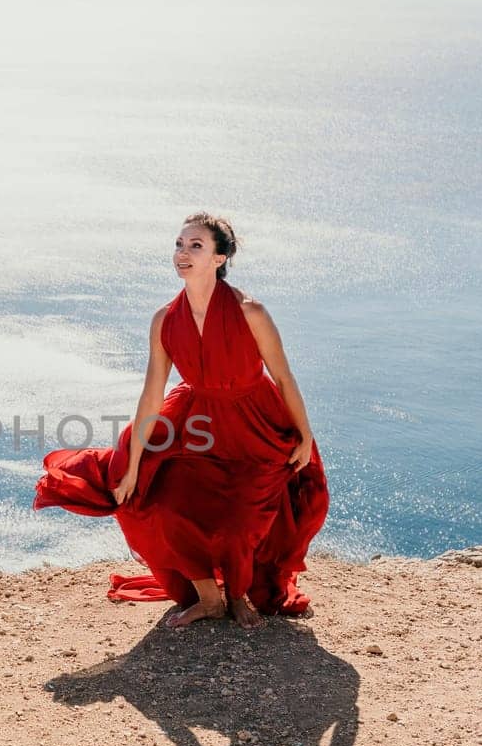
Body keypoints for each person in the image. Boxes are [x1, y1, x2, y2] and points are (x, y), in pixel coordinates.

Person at [33, 212, 329, 630]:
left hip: (255, 425)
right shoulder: (164, 320)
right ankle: (209, 598)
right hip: (196, 425)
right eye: (179, 244)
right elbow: (152, 392)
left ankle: (239, 595)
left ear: (220, 259)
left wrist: (305, 433)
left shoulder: (251, 313)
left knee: (240, 522)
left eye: (196, 246)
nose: (183, 254)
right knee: (162, 502)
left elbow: (283, 376)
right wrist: (133, 464)